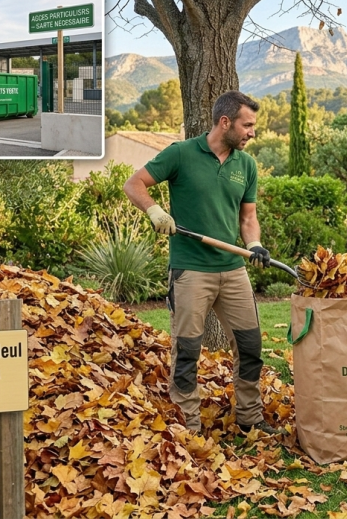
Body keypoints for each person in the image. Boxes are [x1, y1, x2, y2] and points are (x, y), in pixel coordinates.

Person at [123, 91, 277, 436]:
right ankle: (187, 427)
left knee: (250, 346)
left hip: (232, 269)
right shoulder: (181, 154)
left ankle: (250, 418)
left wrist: (254, 244)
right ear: (225, 122)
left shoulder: (246, 165)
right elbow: (133, 184)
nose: (252, 132)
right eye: (247, 125)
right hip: (191, 269)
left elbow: (248, 217)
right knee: (188, 351)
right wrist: (154, 210)